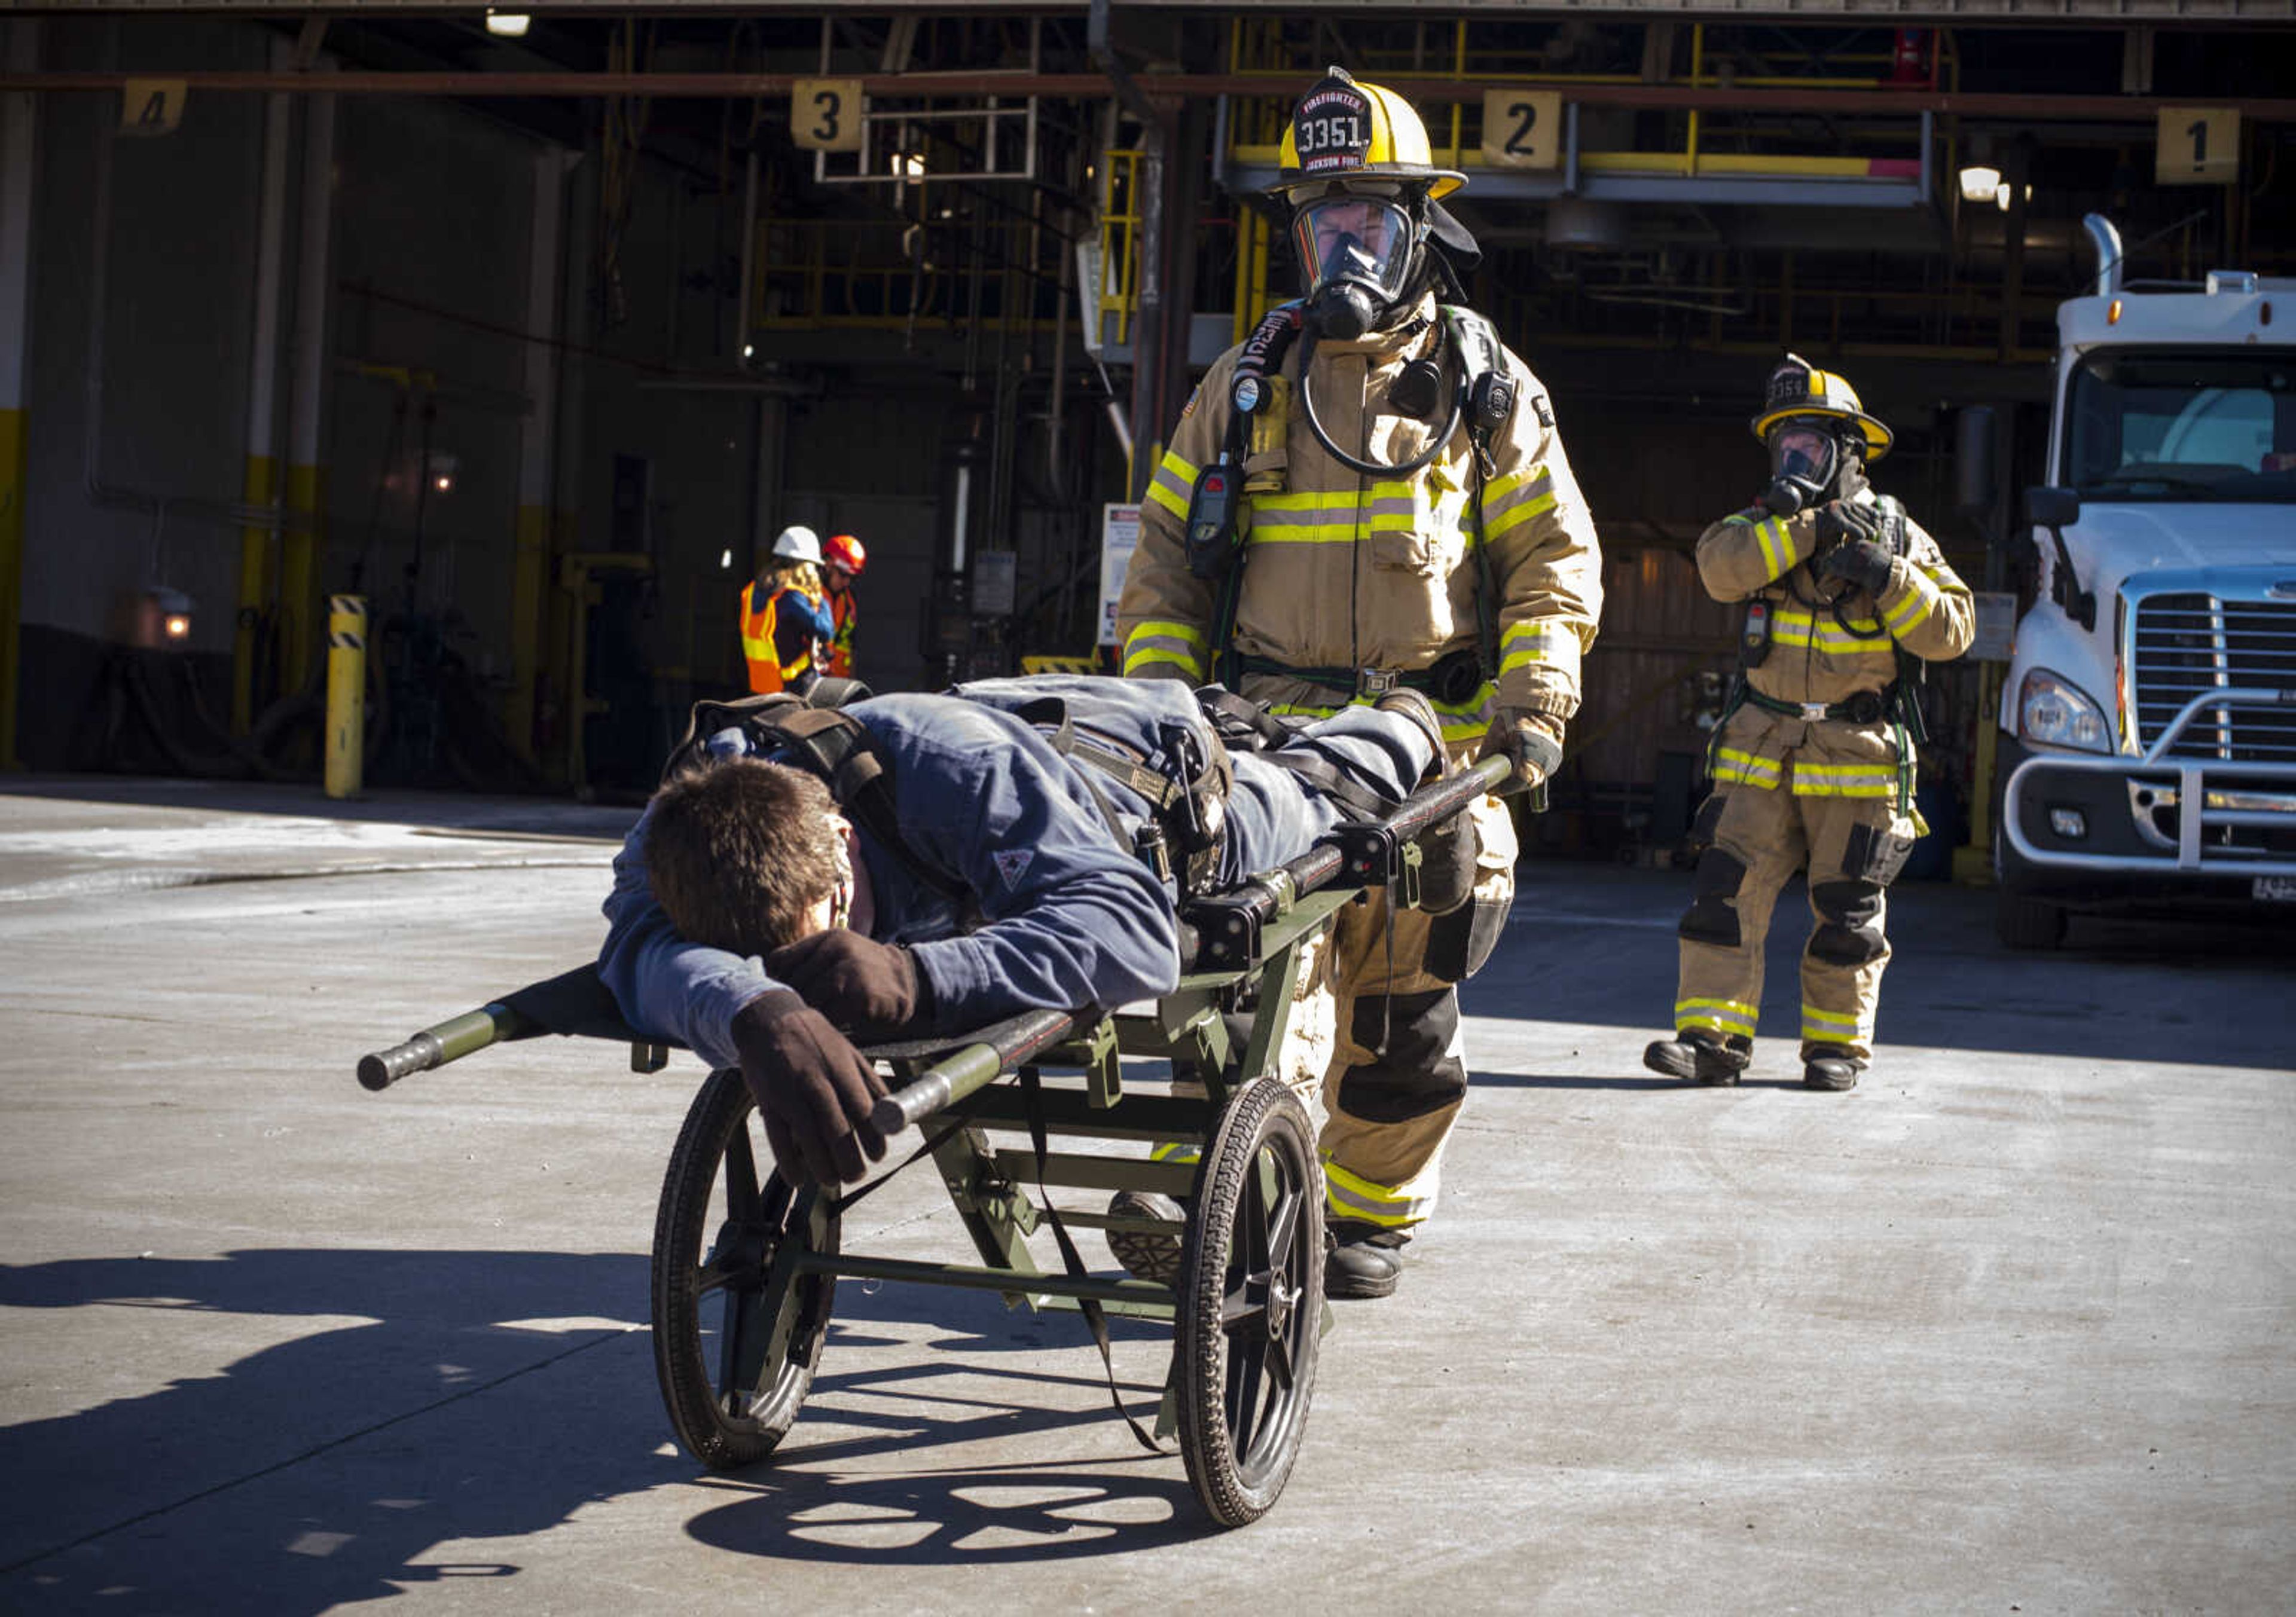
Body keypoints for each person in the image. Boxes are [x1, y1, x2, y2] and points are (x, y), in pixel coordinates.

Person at [1113, 65, 1604, 1298]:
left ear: (1418, 228)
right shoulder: (1240, 391)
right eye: (1322, 221)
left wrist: (1535, 705)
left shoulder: (1488, 394)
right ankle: (1219, 1190)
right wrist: (1164, 716)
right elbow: (1166, 568)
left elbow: (1555, 562)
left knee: (1401, 1008)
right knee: (1228, 967)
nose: (1344, 246)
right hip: (1262, 736)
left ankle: (1369, 1211)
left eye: (1368, 222)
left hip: (1422, 747)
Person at [599, 674, 1452, 1197]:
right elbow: (634, 949)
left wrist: (913, 976)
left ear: (843, 851)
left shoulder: (960, 782)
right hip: (1006, 733)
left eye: (822, 936)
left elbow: (1132, 934)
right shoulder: (679, 825)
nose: (811, 967)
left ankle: (1402, 722)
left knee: (1324, 794)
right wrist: (753, 1006)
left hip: (1146, 787)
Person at [1642, 354, 1973, 1092]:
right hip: (1761, 749)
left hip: (1855, 756)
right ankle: (1712, 1039)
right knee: (1723, 893)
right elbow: (1719, 569)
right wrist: (1811, 526)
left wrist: (1886, 574)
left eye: (1811, 449)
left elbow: (1952, 630)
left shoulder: (1899, 535)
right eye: (1784, 447)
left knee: (1848, 908)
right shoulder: (1762, 527)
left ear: (1850, 456)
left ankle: (1835, 1050)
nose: (1794, 460)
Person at [738, 525, 835, 695]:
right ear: (805, 566)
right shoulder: (791, 598)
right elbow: (826, 630)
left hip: (761, 686)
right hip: (792, 688)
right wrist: (821, 599)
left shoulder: (754, 590)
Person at [820, 533, 866, 680]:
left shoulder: (849, 601)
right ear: (827, 564)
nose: (847, 582)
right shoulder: (808, 595)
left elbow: (852, 647)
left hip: (839, 686)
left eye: (852, 578)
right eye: (843, 575)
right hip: (812, 684)